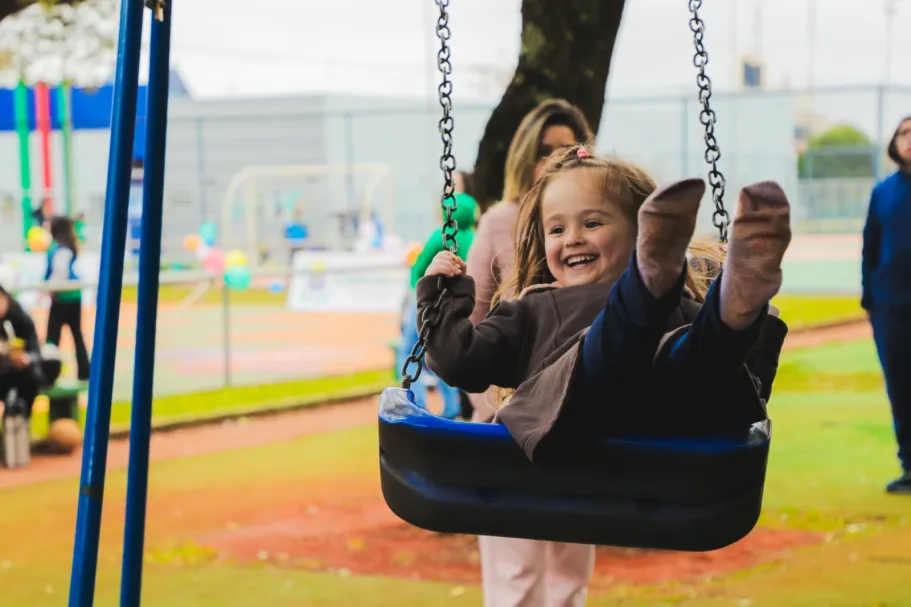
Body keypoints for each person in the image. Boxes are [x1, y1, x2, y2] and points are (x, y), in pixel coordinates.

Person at [418, 148, 791, 605]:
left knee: (698, 353)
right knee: (617, 351)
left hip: (673, 415)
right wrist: (442, 295)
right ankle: (671, 302)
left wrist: (740, 325)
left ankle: (738, 302)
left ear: (644, 234)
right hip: (574, 417)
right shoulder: (532, 310)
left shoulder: (675, 309)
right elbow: (459, 361)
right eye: (557, 228)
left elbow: (731, 373)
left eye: (592, 223)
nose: (572, 238)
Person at [462, 100, 596, 607]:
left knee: (569, 575)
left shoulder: (596, 224)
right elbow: (469, 325)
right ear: (525, 157)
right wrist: (488, 403)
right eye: (545, 151)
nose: (554, 160)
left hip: (578, 419)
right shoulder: (501, 221)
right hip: (508, 428)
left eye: (566, 149)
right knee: (516, 577)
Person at [862, 115, 911, 495]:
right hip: (891, 308)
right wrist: (871, 299)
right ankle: (909, 466)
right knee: (901, 388)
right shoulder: (883, 192)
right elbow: (871, 247)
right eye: (904, 132)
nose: (910, 139)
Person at [405, 190, 479, 419]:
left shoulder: (441, 236)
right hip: (462, 306)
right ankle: (452, 407)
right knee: (447, 354)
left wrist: (416, 289)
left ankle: (415, 405)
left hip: (433, 303)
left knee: (408, 352)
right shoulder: (474, 238)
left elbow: (419, 269)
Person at [45, 216, 91, 382]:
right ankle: (84, 371)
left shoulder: (60, 249)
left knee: (53, 337)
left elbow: (60, 273)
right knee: (75, 335)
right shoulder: (64, 246)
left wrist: (50, 288)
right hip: (71, 296)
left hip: (63, 298)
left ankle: (49, 373)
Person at [0, 286, 46, 420]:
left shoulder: (20, 318)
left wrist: (27, 358)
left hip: (22, 373)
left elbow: (35, 351)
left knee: (29, 381)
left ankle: (21, 420)